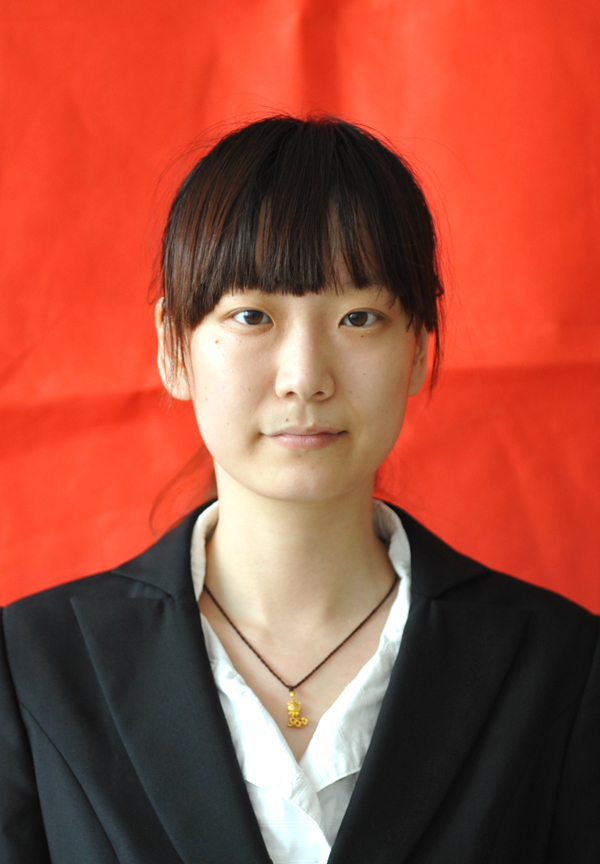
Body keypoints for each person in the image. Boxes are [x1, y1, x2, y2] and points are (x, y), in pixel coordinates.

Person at [0, 115, 598, 864]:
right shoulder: (32, 666)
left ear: (419, 346)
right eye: (252, 316)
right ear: (173, 346)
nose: (305, 377)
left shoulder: (562, 668)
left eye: (359, 317)